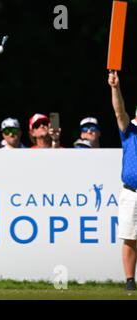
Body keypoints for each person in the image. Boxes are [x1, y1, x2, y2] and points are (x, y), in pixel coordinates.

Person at [108, 70, 137, 291]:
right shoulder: (130, 131)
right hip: (132, 192)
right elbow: (119, 112)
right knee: (130, 237)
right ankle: (130, 281)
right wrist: (115, 88)